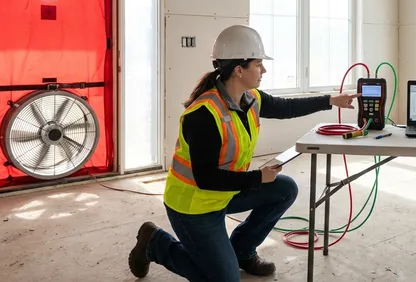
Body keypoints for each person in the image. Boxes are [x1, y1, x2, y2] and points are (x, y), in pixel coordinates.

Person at [127, 24, 360, 281]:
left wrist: (331, 100)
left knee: (285, 189)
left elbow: (286, 107)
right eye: (258, 64)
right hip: (193, 207)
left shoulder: (250, 98)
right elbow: (206, 179)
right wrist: (257, 178)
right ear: (239, 70)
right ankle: (156, 244)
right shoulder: (204, 115)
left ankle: (242, 250)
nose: (264, 70)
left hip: (224, 193)